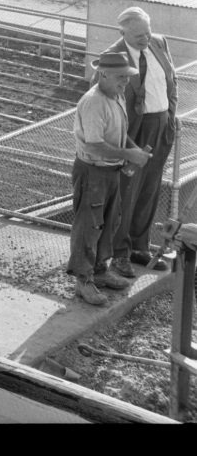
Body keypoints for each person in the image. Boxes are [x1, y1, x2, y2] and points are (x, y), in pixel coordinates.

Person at [98, 7, 179, 276]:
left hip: (161, 126)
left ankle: (139, 248)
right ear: (123, 33)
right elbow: (104, 104)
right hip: (132, 131)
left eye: (147, 32)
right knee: (126, 192)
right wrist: (127, 144)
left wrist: (170, 115)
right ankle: (119, 253)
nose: (145, 38)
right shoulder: (112, 57)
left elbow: (172, 81)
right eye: (138, 35)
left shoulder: (159, 42)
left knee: (150, 189)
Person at [68, 51, 151, 306]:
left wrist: (132, 152)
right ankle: (83, 281)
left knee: (109, 221)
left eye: (127, 77)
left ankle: (100, 272)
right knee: (89, 224)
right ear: (103, 74)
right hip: (92, 171)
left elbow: (119, 134)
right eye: (120, 77)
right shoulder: (94, 102)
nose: (125, 82)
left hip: (110, 170)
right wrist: (129, 154)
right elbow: (94, 146)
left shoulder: (117, 96)